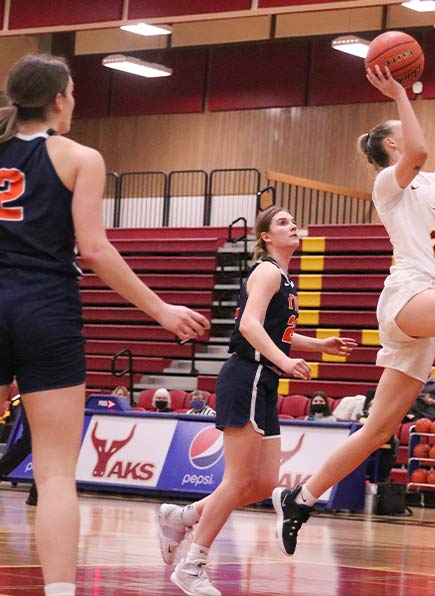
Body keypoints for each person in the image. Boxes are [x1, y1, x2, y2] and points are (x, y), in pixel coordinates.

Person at [270, 65, 435, 557]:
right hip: (408, 294)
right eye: (405, 128)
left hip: (425, 311)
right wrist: (401, 92)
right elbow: (418, 150)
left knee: (378, 429)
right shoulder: (388, 183)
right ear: (392, 146)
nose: (416, 133)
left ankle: (300, 497)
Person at [0, 53, 210, 596]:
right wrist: (161, 310)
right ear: (60, 99)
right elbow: (93, 249)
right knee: (52, 473)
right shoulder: (79, 157)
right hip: (46, 309)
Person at [157, 206, 355, 595]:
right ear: (266, 237)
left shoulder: (284, 278)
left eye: (293, 220)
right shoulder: (265, 271)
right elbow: (249, 326)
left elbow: (277, 332)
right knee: (237, 481)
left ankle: (180, 516)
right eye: (283, 222)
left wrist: (320, 345)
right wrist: (283, 360)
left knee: (263, 484)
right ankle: (193, 564)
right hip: (247, 375)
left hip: (264, 380)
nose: (293, 225)